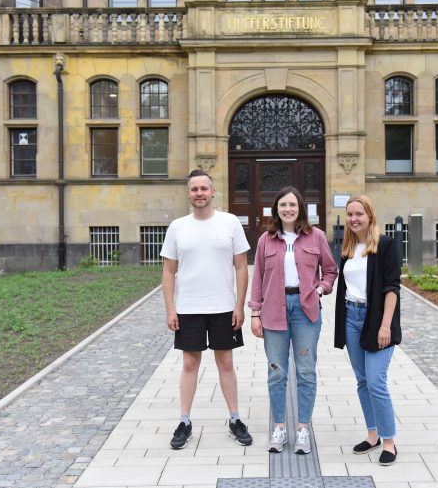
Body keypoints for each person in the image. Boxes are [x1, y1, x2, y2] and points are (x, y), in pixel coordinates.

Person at [160, 169, 253, 450]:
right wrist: (170, 309)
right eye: (194, 189)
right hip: (189, 307)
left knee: (225, 363)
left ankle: (235, 419)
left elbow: (241, 266)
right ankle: (185, 421)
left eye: (204, 188)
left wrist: (239, 305)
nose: (199, 193)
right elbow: (168, 272)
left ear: (213, 192)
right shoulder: (177, 226)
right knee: (190, 364)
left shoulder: (230, 223)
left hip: (223, 306)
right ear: (188, 193)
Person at [248, 187, 337, 454]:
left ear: (300, 208)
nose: (288, 209)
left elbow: (331, 270)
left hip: (305, 310)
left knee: (305, 370)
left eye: (293, 205)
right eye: (283, 205)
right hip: (273, 310)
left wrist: (320, 289)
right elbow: (258, 278)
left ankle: (302, 429)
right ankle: (278, 428)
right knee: (277, 372)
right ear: (276, 209)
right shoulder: (266, 239)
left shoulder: (316, 236)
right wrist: (254, 312)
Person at [333, 195, 402, 466]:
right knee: (362, 380)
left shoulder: (385, 245)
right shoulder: (348, 248)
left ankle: (389, 441)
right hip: (351, 317)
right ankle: (372, 434)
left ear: (370, 215)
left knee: (376, 381)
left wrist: (385, 326)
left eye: (359, 214)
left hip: (377, 321)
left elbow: (391, 289)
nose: (353, 219)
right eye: (350, 214)